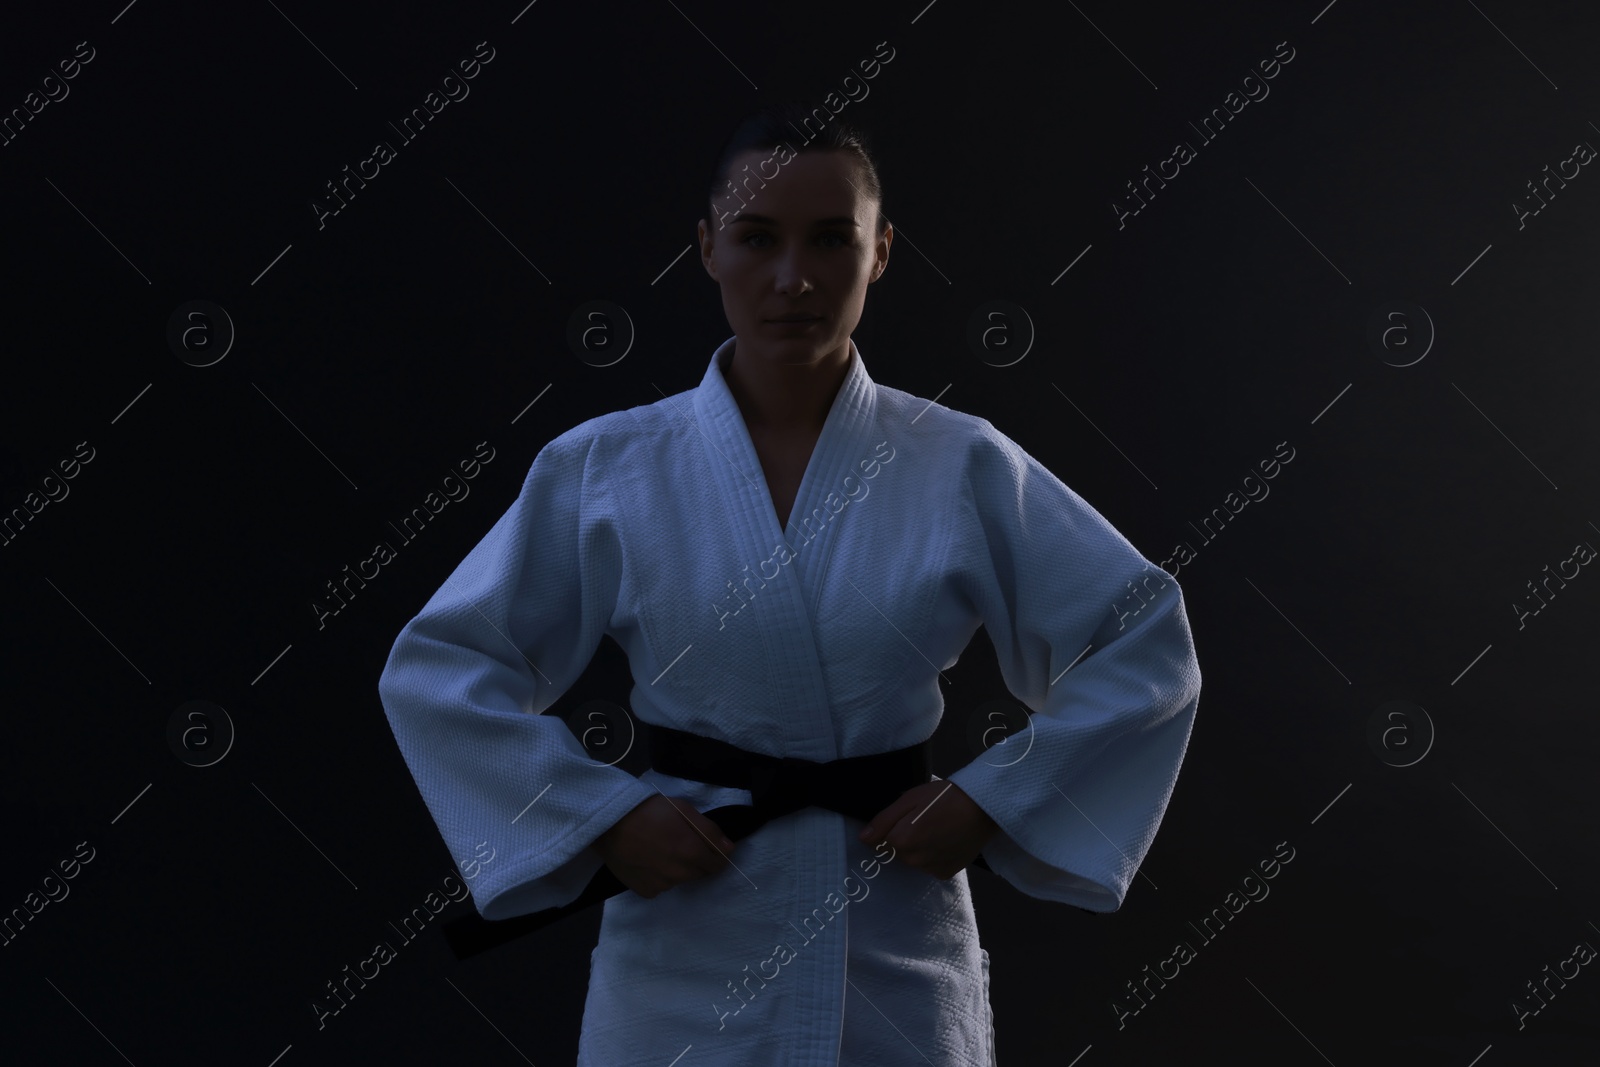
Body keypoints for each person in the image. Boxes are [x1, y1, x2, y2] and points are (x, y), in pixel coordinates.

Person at [377, 100, 1202, 1066]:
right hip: (684, 936)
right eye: (757, 238)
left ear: (882, 251)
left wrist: (990, 801)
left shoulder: (960, 462)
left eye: (830, 240)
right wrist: (602, 819)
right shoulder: (603, 467)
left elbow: (1142, 643)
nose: (793, 277)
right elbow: (442, 666)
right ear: (707, 248)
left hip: (894, 934)